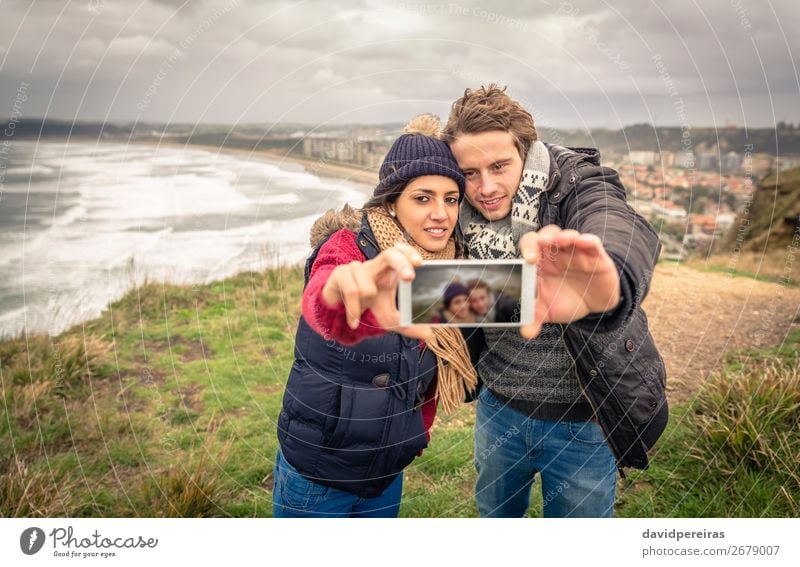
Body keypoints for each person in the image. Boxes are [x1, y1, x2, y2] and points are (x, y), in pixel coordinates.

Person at [443, 85, 669, 517]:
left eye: (499, 166)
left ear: (525, 154)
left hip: (583, 420)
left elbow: (616, 222)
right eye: (469, 173)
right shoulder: (454, 210)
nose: (485, 187)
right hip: (498, 409)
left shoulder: (576, 181)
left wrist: (610, 281)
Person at [274, 114, 477, 518]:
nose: (440, 213)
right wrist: (340, 288)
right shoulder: (348, 248)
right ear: (390, 201)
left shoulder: (450, 270)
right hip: (318, 476)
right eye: (423, 198)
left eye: (450, 198)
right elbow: (323, 296)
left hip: (386, 473)